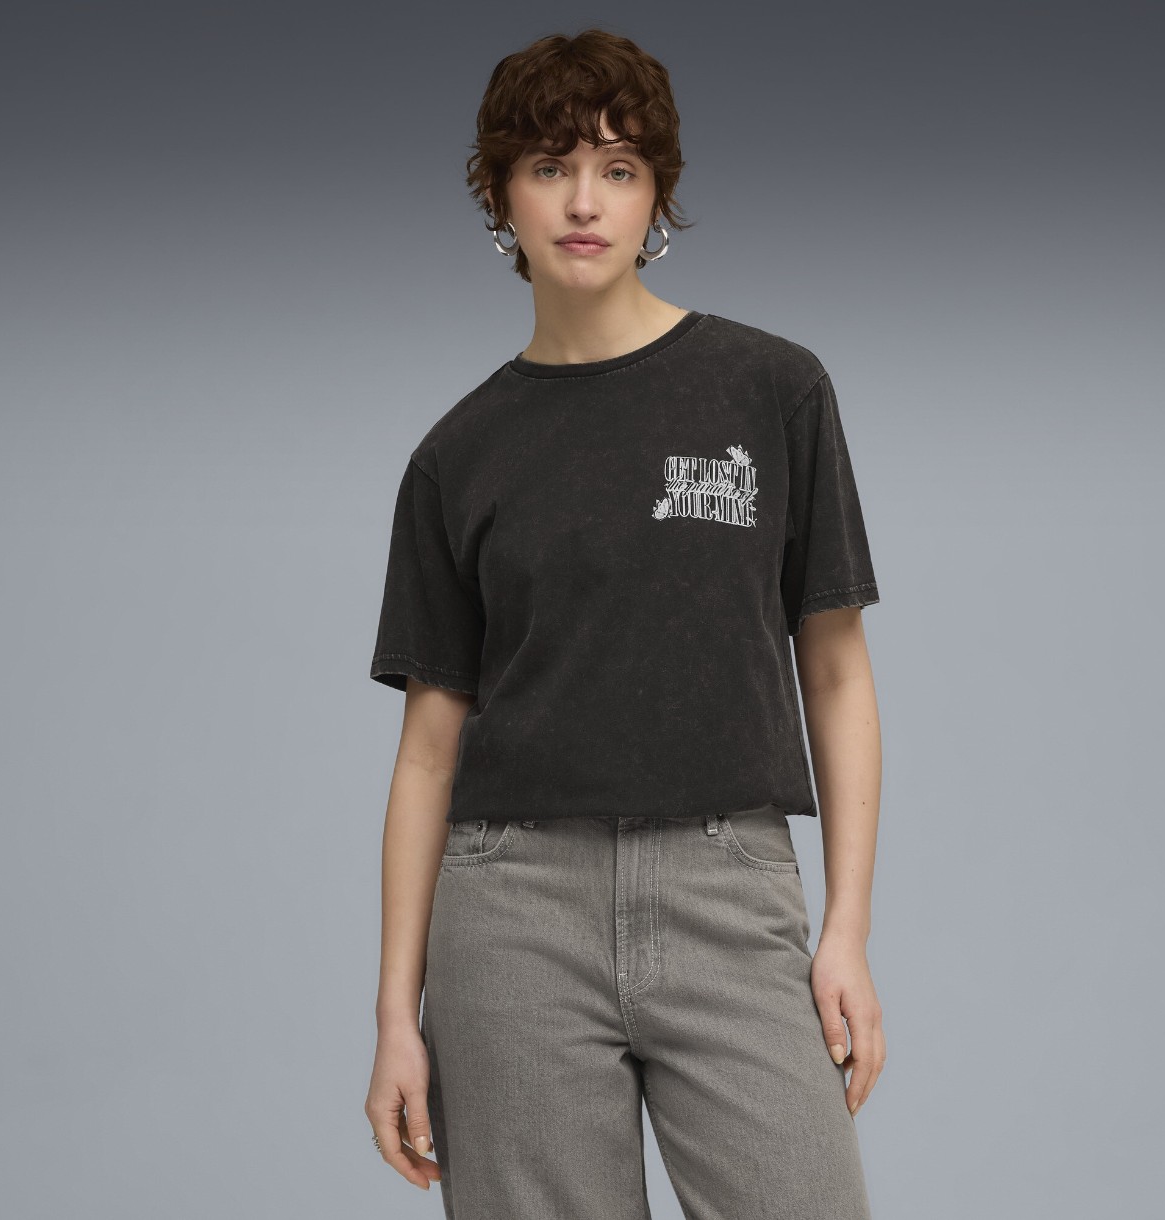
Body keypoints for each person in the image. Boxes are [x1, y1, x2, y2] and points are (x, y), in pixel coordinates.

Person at [363, 27, 886, 1220]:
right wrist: (396, 1012)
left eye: (617, 167)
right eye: (548, 166)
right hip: (510, 915)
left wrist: (845, 929)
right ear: (501, 196)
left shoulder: (772, 391)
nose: (583, 201)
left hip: (727, 884)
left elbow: (836, 676)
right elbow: (428, 750)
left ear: (658, 197)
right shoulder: (454, 458)